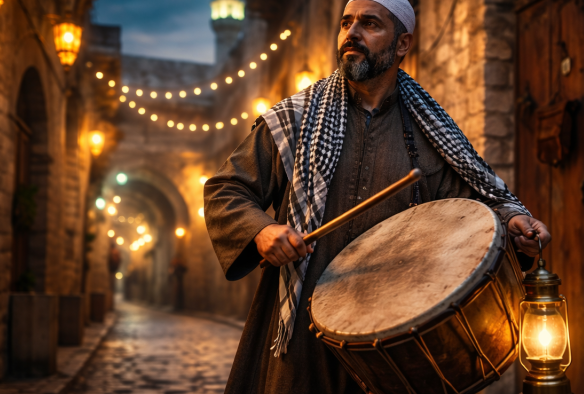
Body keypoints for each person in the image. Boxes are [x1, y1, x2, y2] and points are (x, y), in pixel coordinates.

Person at [203, 1, 551, 392]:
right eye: (346, 23)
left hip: (395, 342)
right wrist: (262, 231)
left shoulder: (430, 131)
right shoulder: (294, 119)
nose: (352, 33)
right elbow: (226, 189)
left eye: (370, 24)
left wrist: (512, 220)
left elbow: (475, 205)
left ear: (402, 44)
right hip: (301, 336)